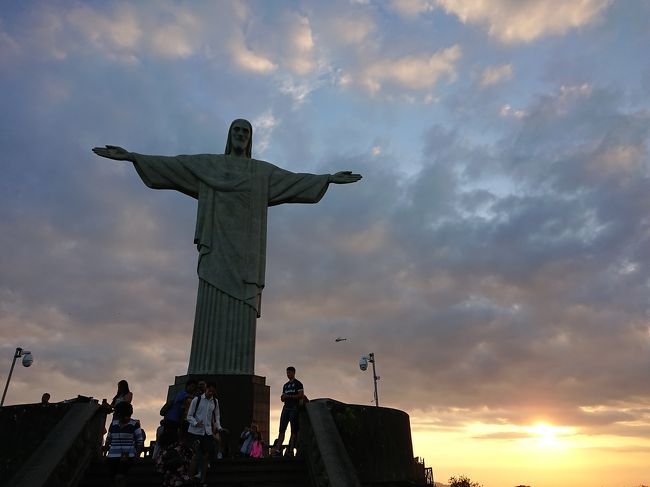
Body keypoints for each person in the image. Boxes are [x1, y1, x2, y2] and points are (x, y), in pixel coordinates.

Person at [93, 120, 362, 376]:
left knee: (242, 311)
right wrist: (133, 157)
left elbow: (293, 181)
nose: (241, 134)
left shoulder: (261, 172)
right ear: (229, 135)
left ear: (250, 138)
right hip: (217, 250)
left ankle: (237, 370)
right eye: (237, 130)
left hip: (246, 257)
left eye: (246, 131)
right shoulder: (210, 164)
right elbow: (175, 165)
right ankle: (204, 366)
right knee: (211, 305)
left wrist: (328, 178)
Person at [186, 382, 225, 486]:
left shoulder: (215, 402)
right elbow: (189, 416)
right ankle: (190, 478)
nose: (210, 393)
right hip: (195, 431)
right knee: (195, 455)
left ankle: (203, 480)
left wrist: (219, 427)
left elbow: (217, 417)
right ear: (206, 389)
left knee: (206, 456)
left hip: (207, 432)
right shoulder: (197, 400)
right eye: (209, 390)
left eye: (212, 391)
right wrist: (195, 423)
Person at [105, 401, 143, 487]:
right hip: (112, 456)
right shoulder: (113, 424)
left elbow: (139, 441)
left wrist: (137, 455)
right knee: (112, 479)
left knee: (120, 477)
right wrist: (105, 452)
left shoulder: (134, 424)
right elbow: (109, 439)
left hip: (127, 456)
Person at [272, 366, 304, 457]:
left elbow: (301, 395)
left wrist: (289, 397)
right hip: (286, 408)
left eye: (289, 373)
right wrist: (284, 397)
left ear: (293, 373)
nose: (288, 374)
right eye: (287, 373)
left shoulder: (298, 384)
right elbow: (282, 398)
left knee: (293, 431)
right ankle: (278, 449)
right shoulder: (285, 385)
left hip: (294, 408)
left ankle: (290, 450)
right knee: (282, 430)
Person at [163, 379, 197, 444]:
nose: (192, 389)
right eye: (192, 386)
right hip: (171, 420)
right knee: (170, 439)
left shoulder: (185, 395)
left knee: (174, 439)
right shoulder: (182, 394)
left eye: (194, 387)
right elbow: (179, 399)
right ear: (187, 386)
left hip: (176, 420)